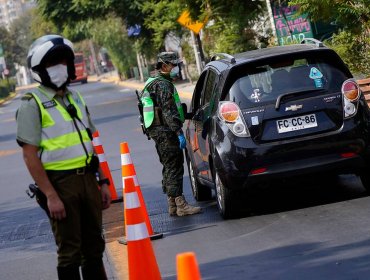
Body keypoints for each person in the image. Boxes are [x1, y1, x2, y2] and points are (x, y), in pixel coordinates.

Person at [16, 35, 111, 280]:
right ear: (39, 70)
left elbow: (89, 143)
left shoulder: (75, 97)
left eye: (63, 62)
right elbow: (30, 156)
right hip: (60, 184)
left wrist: (102, 182)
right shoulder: (32, 104)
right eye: (52, 63)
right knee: (70, 252)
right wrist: (50, 196)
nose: (60, 68)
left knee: (94, 248)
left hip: (88, 179)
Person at [140, 51, 201, 217]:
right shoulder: (163, 85)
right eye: (173, 65)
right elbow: (168, 112)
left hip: (157, 131)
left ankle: (172, 204)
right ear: (164, 65)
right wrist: (178, 132)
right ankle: (181, 205)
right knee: (175, 165)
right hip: (166, 131)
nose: (175, 68)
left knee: (168, 165)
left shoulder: (152, 82)